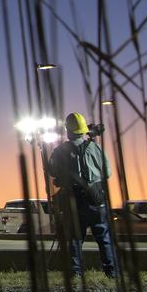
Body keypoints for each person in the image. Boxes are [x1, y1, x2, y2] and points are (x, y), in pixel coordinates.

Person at [49, 112, 117, 278]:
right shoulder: (96, 148)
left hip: (75, 201)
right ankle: (112, 272)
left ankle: (76, 273)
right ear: (84, 130)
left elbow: (52, 172)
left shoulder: (60, 151)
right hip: (96, 199)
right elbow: (107, 173)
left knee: (74, 238)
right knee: (104, 238)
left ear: (68, 131)